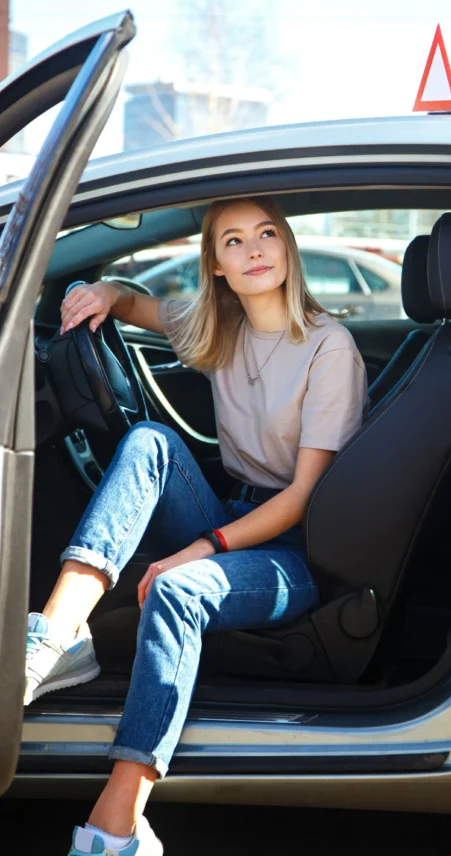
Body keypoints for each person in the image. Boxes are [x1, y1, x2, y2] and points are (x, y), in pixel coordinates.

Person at [24, 197, 368, 856]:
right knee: (150, 442)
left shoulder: (331, 347)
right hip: (234, 510)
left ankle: (117, 825)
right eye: (233, 241)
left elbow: (303, 498)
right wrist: (100, 290)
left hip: (297, 549)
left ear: (288, 246)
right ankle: (56, 637)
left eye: (267, 233)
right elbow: (132, 302)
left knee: (177, 590)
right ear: (214, 263)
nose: (254, 249)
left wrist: (199, 549)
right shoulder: (221, 325)